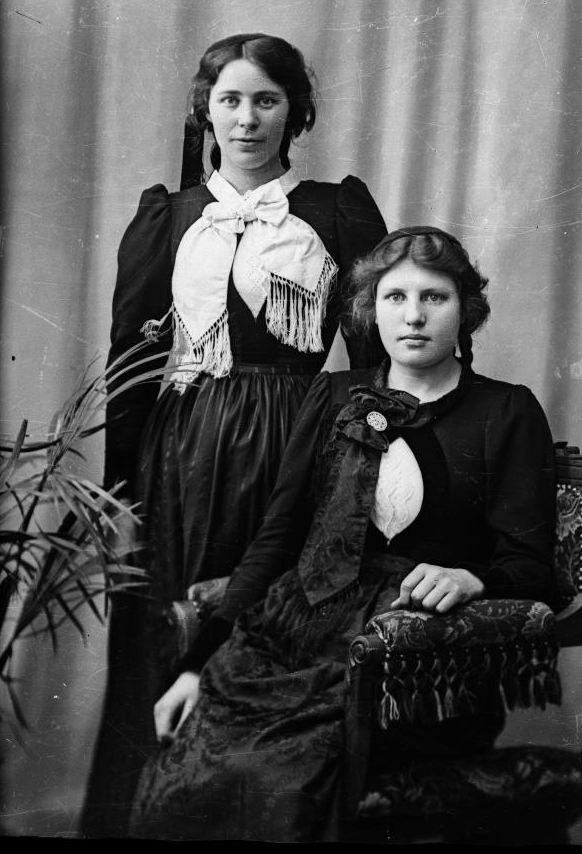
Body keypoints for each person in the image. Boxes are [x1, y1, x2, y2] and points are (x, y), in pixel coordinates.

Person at [128, 226, 559, 842]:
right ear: (370, 310)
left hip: (410, 665)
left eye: (434, 297)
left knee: (278, 784)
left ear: (466, 310)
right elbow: (276, 541)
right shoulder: (334, 396)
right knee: (186, 780)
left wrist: (472, 578)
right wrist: (196, 665)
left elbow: (532, 565)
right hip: (291, 644)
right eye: (395, 297)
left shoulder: (505, 410)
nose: (413, 316)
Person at [81, 34, 387, 836]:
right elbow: (130, 361)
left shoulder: (336, 211)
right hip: (186, 452)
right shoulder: (172, 215)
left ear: (295, 113)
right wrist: (119, 497)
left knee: (274, 632)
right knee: (177, 630)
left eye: (266, 101)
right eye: (230, 101)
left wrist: (366, 477)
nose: (247, 120)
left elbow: (377, 363)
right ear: (205, 112)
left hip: (300, 448)